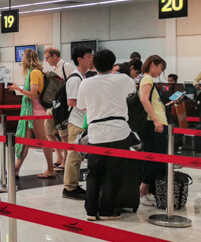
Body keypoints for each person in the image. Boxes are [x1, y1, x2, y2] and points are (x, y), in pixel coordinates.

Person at [78, 49, 137, 221]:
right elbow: (131, 93)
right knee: (113, 172)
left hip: (96, 132)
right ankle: (106, 210)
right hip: (118, 131)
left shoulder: (86, 83)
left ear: (94, 64)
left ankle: (91, 210)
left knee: (93, 172)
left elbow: (82, 106)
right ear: (113, 64)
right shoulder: (123, 79)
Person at [10, 48, 56, 179]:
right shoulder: (35, 72)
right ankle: (16, 169)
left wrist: (18, 89)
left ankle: (51, 169)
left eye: (23, 57)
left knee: (43, 141)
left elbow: (34, 94)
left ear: (27, 59)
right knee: (25, 140)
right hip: (32, 111)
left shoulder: (35, 73)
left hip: (36, 112)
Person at [62, 45, 94, 200]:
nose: (91, 60)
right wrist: (90, 108)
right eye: (88, 57)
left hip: (81, 121)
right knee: (74, 155)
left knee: (77, 156)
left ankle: (72, 185)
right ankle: (69, 188)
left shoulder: (82, 76)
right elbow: (71, 101)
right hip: (76, 122)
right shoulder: (75, 78)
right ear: (79, 59)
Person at [138, 55, 168, 207]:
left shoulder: (147, 79)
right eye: (160, 68)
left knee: (155, 158)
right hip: (153, 124)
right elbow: (144, 99)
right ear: (153, 65)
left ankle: (147, 190)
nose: (160, 72)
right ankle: (143, 191)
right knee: (154, 159)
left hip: (156, 122)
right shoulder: (147, 79)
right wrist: (156, 120)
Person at [43, 47, 70, 171]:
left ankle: (65, 159)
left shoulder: (66, 66)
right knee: (48, 130)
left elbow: (72, 84)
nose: (46, 60)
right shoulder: (55, 69)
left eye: (47, 57)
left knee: (64, 134)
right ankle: (59, 156)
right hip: (54, 104)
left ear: (54, 56)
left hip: (63, 105)